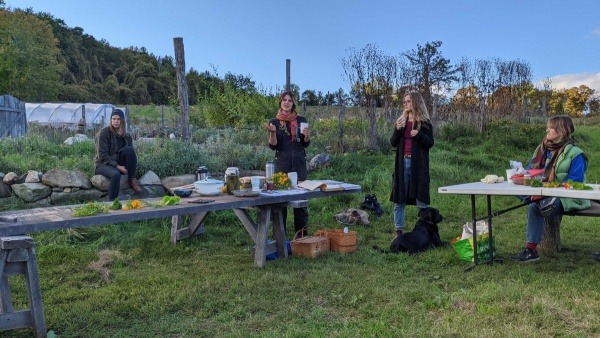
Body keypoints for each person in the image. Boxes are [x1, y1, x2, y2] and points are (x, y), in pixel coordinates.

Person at [512, 115, 590, 263]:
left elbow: (574, 182)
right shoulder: (541, 149)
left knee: (540, 205)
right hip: (541, 193)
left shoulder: (575, 154)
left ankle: (530, 249)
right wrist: (524, 175)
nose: (547, 129)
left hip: (567, 197)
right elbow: (530, 171)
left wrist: (546, 191)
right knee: (519, 192)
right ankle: (531, 250)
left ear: (560, 130)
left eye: (551, 127)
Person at [266, 91, 311, 237]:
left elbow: (305, 144)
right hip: (282, 163)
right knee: (280, 202)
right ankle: (280, 238)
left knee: (301, 201)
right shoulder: (274, 122)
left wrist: (307, 137)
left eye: (289, 100)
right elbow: (273, 146)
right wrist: (272, 133)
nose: (286, 102)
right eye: (284, 100)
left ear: (293, 103)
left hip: (299, 163)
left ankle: (302, 237)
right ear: (280, 103)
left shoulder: (301, 120)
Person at [390, 91, 434, 238]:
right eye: (404, 101)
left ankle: (425, 230)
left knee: (421, 197)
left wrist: (419, 134)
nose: (405, 103)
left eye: (408, 101)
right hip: (402, 163)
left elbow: (430, 143)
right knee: (399, 198)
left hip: (418, 165)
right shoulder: (401, 121)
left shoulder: (425, 123)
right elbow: (393, 142)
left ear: (415, 102)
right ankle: (398, 232)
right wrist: (397, 129)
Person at [94, 109, 142, 200]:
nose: (115, 121)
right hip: (103, 164)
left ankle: (132, 180)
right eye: (113, 119)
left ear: (122, 120)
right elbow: (102, 156)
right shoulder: (104, 133)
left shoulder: (127, 136)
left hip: (117, 162)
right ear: (111, 120)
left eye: (118, 119)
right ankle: (112, 203)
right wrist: (118, 167)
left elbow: (129, 155)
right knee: (116, 175)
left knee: (130, 149)